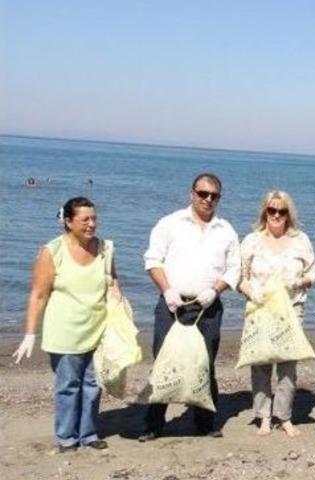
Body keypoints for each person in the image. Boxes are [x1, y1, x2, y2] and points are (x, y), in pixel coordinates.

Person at [13, 197, 120, 452]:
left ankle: (89, 434)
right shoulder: (52, 251)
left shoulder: (105, 248)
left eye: (94, 218)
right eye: (85, 220)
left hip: (98, 327)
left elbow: (112, 281)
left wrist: (119, 308)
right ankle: (67, 438)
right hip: (64, 331)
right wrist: (30, 333)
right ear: (69, 222)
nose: (92, 224)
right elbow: (38, 294)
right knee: (68, 386)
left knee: (93, 385)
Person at [139, 173, 240, 441]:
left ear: (219, 198)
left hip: (208, 306)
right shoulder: (170, 223)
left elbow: (235, 270)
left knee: (204, 363)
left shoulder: (226, 230)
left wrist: (215, 290)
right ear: (191, 193)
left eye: (213, 195)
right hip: (172, 304)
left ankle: (205, 423)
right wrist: (167, 290)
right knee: (164, 361)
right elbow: (152, 260)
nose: (207, 199)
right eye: (202, 193)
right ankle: (153, 424)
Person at [239, 190, 315, 437]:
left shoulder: (300, 240)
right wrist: (252, 293)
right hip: (260, 309)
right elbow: (240, 278)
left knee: (287, 366)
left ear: (288, 214)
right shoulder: (251, 241)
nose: (276, 215)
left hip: (291, 310)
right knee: (261, 364)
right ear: (265, 211)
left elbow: (313, 273)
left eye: (281, 211)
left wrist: (298, 282)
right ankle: (263, 415)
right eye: (272, 210)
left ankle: (283, 416)